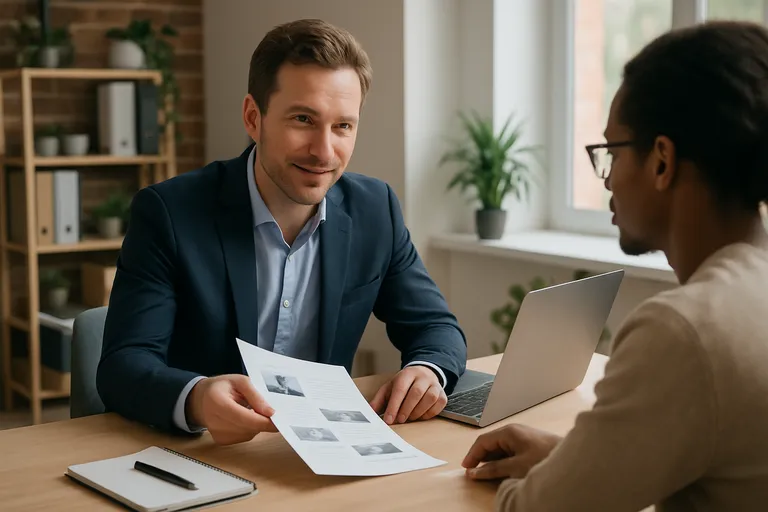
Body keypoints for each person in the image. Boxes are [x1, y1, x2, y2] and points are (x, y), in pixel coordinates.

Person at [96, 18, 467, 446]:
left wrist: (427, 370)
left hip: (323, 454)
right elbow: (123, 365)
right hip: (204, 454)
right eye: (303, 119)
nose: (324, 151)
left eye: (343, 126)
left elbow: (435, 326)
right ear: (254, 119)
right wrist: (197, 398)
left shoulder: (374, 209)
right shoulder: (169, 213)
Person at [462, 20, 768, 511]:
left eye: (611, 152)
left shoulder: (683, 331)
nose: (606, 182)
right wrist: (573, 459)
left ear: (662, 161)